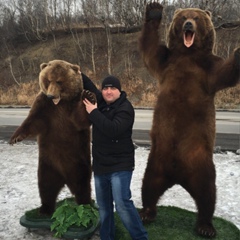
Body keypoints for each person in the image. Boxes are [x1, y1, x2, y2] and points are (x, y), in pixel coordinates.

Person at [82, 73, 148, 240]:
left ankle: (140, 237)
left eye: (113, 88)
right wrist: (72, 70)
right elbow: (87, 83)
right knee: (103, 208)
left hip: (120, 165)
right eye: (105, 88)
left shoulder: (125, 108)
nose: (108, 91)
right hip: (100, 165)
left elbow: (113, 129)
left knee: (122, 204)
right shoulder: (101, 101)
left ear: (119, 91)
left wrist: (93, 112)